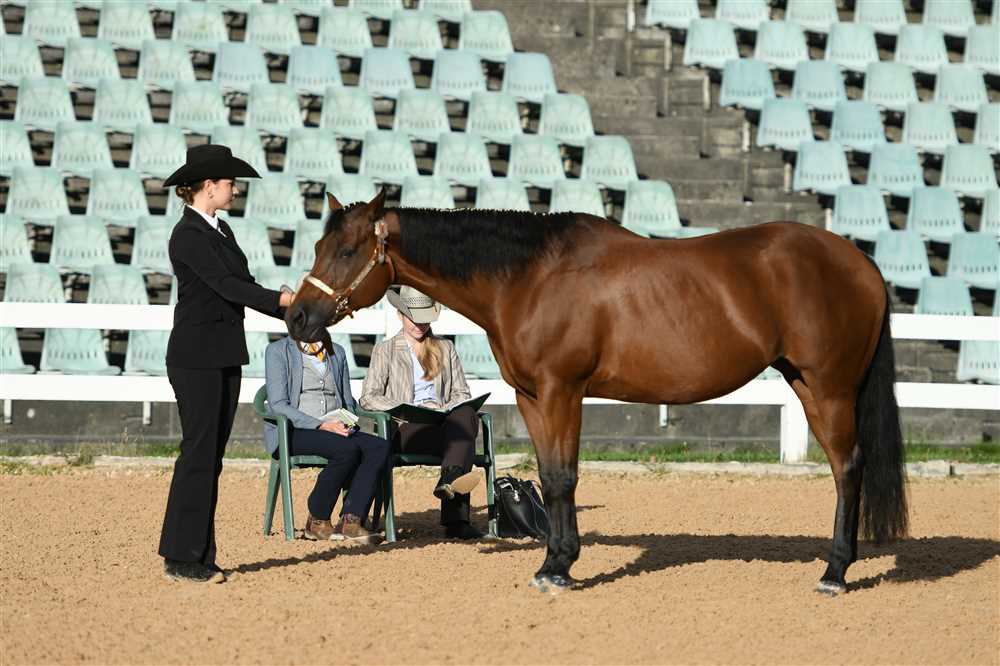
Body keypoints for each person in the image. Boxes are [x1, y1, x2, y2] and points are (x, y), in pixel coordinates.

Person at [159, 144, 295, 584]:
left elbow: (242, 283)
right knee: (199, 454)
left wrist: (285, 308)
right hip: (196, 358)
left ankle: (199, 554)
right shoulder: (187, 235)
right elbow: (226, 286)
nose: (235, 190)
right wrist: (281, 302)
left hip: (221, 354)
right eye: (230, 183)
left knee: (210, 457)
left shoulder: (221, 231)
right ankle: (181, 556)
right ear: (208, 186)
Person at [360, 286, 484, 539]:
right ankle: (456, 519)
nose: (419, 324)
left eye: (424, 318)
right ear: (400, 315)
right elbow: (369, 397)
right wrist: (405, 408)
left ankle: (450, 476)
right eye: (413, 318)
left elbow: (461, 392)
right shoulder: (385, 350)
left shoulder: (445, 348)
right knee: (462, 437)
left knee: (466, 416)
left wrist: (443, 408)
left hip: (443, 426)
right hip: (405, 428)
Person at [263, 333, 389, 544]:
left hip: (335, 428)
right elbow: (278, 404)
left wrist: (347, 422)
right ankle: (317, 520)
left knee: (379, 446)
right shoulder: (277, 351)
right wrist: (321, 425)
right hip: (294, 430)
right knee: (346, 449)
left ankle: (351, 520)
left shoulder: (337, 351)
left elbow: (347, 401)